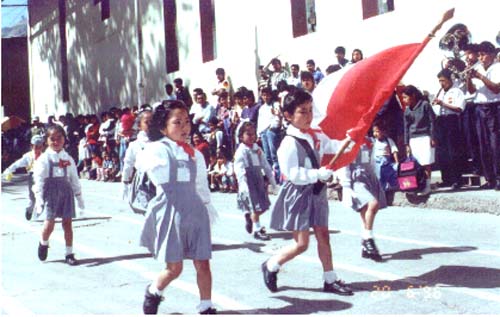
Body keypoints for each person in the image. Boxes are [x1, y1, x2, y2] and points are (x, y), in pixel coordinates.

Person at [262, 88, 353, 295]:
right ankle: (271, 264)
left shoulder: (313, 136)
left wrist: (351, 139)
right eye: (303, 111)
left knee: (323, 235)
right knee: (302, 244)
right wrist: (317, 174)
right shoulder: (288, 143)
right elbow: (292, 173)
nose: (309, 116)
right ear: (288, 116)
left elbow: (335, 146)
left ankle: (330, 279)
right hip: (299, 194)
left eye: (311, 110)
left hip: (317, 192)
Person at [136, 100, 216, 315]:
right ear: (163, 127)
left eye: (187, 122)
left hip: (195, 212)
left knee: (203, 262)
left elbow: (200, 185)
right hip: (171, 212)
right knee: (174, 268)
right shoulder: (157, 150)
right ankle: (154, 290)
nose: (185, 127)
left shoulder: (194, 154)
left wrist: (207, 207)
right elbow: (151, 172)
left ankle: (206, 304)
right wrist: (150, 144)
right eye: (177, 122)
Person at [32, 125, 85, 265]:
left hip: (66, 192)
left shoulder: (68, 158)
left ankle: (69, 253)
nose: (56, 142)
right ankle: (43, 242)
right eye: (52, 139)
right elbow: (39, 180)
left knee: (67, 224)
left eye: (59, 138)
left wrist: (80, 199)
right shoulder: (43, 159)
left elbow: (74, 178)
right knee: (49, 223)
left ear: (64, 139)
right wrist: (39, 199)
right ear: (46, 141)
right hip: (51, 193)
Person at [338, 136, 387, 262]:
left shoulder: (370, 141)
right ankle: (368, 239)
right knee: (373, 204)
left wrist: (375, 176)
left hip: (369, 176)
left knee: (366, 209)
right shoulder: (349, 141)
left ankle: (365, 247)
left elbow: (371, 160)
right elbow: (345, 164)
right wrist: (346, 185)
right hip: (357, 178)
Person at [465, 41, 500, 190]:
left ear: (492, 55)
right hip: (479, 108)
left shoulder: (497, 67)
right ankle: (489, 178)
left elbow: (496, 89)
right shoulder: (477, 68)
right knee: (483, 145)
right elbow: (472, 91)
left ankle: (499, 177)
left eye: (483, 54)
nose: (480, 58)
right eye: (479, 55)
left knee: (495, 144)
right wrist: (468, 78)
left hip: (494, 107)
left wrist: (480, 76)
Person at [234, 122, 277, 241]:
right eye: (248, 134)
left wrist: (272, 181)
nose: (252, 137)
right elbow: (239, 168)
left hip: (258, 181)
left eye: (253, 134)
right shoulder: (241, 151)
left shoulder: (257, 149)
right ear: (241, 136)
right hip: (249, 182)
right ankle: (257, 229)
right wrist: (243, 185)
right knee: (255, 207)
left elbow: (265, 165)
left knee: (263, 206)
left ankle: (249, 216)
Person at [432, 68, 466, 189]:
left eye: (444, 81)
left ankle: (457, 179)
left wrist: (443, 104)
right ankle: (446, 179)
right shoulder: (440, 91)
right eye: (440, 81)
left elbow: (459, 109)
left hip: (452, 121)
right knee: (442, 152)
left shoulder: (457, 91)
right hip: (440, 121)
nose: (442, 83)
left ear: (450, 80)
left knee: (453, 151)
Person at [403, 85, 436, 195]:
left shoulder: (425, 105)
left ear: (413, 96)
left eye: (405, 97)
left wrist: (433, 137)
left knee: (426, 163)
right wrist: (406, 143)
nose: (404, 100)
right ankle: (414, 187)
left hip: (425, 137)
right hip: (413, 139)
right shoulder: (407, 111)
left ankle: (427, 186)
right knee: (414, 164)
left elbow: (432, 121)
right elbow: (406, 128)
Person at [2, 135, 45, 220]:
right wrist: (9, 170)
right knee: (32, 198)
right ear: (31, 146)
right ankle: (29, 210)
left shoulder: (45, 156)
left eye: (40, 147)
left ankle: (41, 212)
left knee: (44, 197)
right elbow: (17, 164)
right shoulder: (28, 156)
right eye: (36, 147)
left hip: (44, 178)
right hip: (32, 177)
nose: (38, 149)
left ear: (43, 147)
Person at [121, 109, 152, 198]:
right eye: (147, 122)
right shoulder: (134, 145)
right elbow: (128, 164)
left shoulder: (161, 141)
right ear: (139, 125)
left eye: (152, 121)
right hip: (143, 182)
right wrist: (125, 182)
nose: (150, 124)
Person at [371, 122, 399, 205]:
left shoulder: (388, 140)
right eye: (374, 131)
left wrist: (397, 162)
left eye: (377, 131)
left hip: (386, 162)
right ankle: (379, 199)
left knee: (387, 179)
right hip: (376, 163)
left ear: (383, 132)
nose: (375, 134)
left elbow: (394, 151)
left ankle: (384, 197)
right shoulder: (373, 141)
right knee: (379, 180)